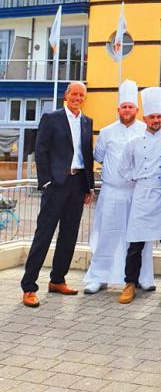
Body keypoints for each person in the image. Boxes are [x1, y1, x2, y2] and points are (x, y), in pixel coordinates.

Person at [21, 81, 94, 307]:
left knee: (69, 236)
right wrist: (46, 182)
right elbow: (40, 151)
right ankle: (29, 287)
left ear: (84, 97)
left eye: (81, 94)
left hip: (78, 184)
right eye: (74, 93)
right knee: (44, 235)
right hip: (57, 185)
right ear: (66, 95)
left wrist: (89, 186)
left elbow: (87, 156)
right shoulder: (51, 118)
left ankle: (57, 280)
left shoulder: (86, 121)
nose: (77, 98)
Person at [83, 80, 153, 295]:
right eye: (124, 107)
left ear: (137, 110)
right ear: (118, 109)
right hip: (112, 192)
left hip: (138, 193)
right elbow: (99, 157)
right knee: (107, 234)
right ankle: (99, 277)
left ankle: (142, 277)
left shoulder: (146, 131)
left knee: (139, 237)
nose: (127, 110)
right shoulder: (106, 132)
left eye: (131, 107)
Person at [117, 87, 161, 305]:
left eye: (159, 117)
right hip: (142, 195)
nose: (156, 120)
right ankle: (129, 284)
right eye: (152, 117)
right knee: (135, 244)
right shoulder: (134, 142)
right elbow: (122, 168)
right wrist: (135, 179)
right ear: (145, 117)